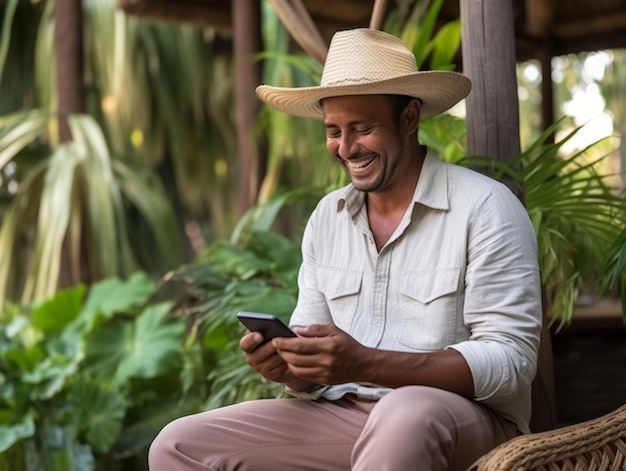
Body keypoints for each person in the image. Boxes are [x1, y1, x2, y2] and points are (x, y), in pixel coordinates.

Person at [148, 28, 542, 471]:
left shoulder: (485, 207)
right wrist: (292, 369)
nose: (346, 147)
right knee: (177, 444)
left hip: (464, 418)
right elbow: (314, 348)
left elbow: (511, 362)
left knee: (404, 415)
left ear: (409, 118)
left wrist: (367, 362)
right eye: (333, 131)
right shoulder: (327, 218)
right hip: (346, 417)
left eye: (363, 128)